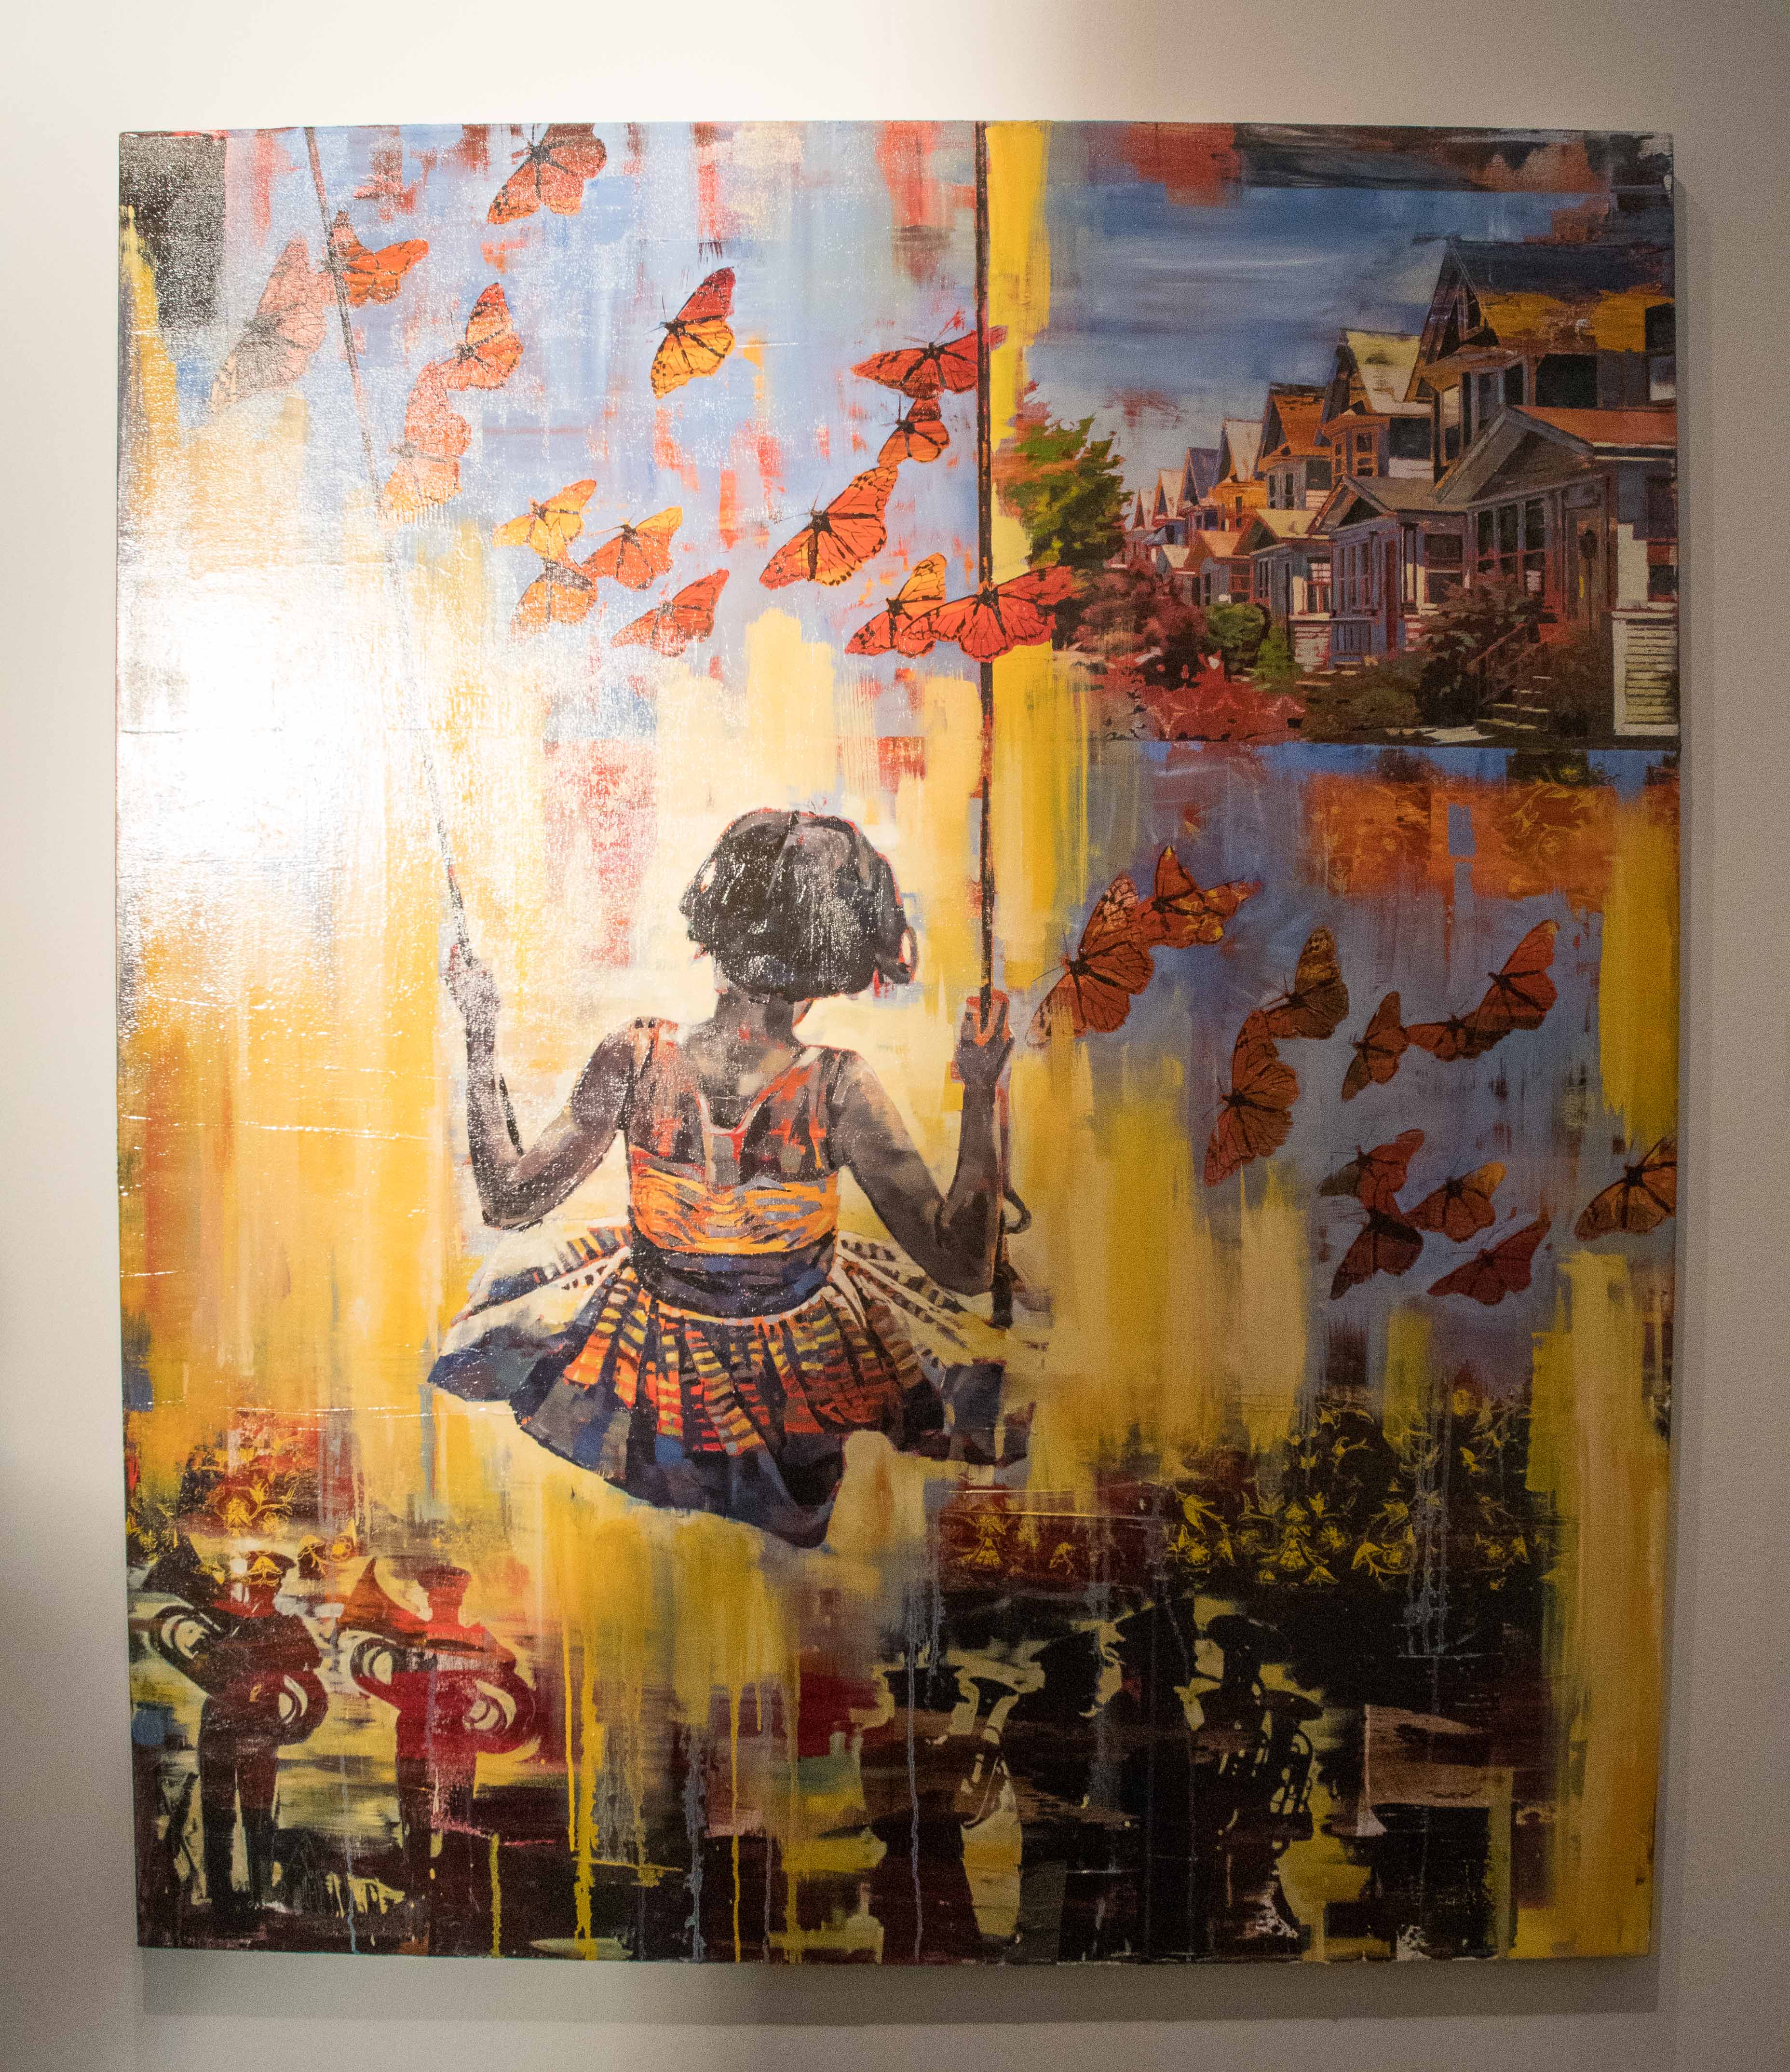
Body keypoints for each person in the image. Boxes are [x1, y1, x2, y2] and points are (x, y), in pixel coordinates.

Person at [434, 808, 1013, 1547]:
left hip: (645, 1370)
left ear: (717, 926)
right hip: (805, 1373)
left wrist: (480, 1033)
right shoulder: (839, 1087)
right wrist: (981, 1089)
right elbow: (964, 1266)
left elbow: (510, 1200)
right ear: (833, 959)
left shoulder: (637, 1057)